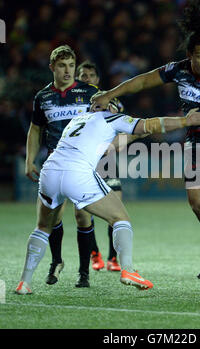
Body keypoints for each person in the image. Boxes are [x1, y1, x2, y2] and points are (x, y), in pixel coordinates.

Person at [90, 0, 200, 280]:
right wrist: (109, 94)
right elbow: (141, 81)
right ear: (190, 55)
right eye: (199, 56)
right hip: (194, 144)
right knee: (197, 205)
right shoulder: (179, 70)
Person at [15, 106, 200, 294]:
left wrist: (137, 133)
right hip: (77, 172)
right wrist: (186, 120)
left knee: (42, 227)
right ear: (106, 106)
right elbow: (151, 124)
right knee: (121, 218)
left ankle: (25, 282)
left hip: (50, 170)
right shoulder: (110, 117)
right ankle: (127, 270)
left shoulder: (77, 120)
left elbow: (113, 144)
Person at [25, 45, 103, 288]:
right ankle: (57, 261)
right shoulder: (43, 98)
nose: (68, 70)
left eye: (71, 65)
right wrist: (30, 159)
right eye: (62, 66)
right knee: (52, 217)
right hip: (54, 164)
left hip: (83, 163)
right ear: (52, 68)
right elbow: (36, 128)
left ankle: (84, 273)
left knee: (82, 215)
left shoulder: (90, 92)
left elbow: (106, 120)